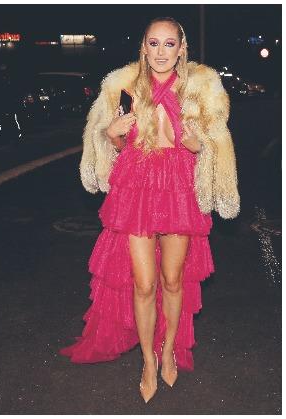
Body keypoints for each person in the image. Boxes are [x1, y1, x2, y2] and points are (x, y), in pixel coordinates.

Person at [60, 17, 239, 403]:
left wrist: (195, 144)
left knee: (172, 281)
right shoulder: (123, 87)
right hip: (137, 187)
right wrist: (112, 136)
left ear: (181, 48)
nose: (160, 52)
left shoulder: (200, 89)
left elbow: (212, 146)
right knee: (144, 284)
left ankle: (168, 349)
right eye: (153, 43)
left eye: (169, 44)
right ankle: (146, 360)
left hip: (179, 187)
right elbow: (117, 145)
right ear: (143, 47)